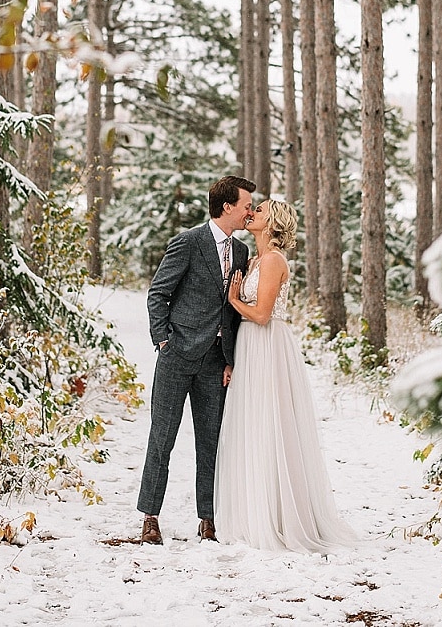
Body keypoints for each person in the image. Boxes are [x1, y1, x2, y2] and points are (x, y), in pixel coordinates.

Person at [214, 199, 356, 554]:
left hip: (267, 344)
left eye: (258, 211)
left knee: (271, 425)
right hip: (248, 347)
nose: (252, 214)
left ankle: (278, 516)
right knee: (250, 426)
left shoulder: (275, 260)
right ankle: (252, 512)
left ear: (272, 221)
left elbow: (261, 314)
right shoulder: (253, 259)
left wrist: (233, 298)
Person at [137, 174, 256, 545]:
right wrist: (163, 342)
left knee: (211, 442)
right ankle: (150, 518)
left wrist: (230, 358)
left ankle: (208, 520)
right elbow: (158, 294)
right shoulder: (188, 242)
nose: (250, 211)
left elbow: (233, 312)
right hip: (177, 356)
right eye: (246, 205)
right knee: (162, 438)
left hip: (215, 362)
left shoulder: (241, 253)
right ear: (227, 207)